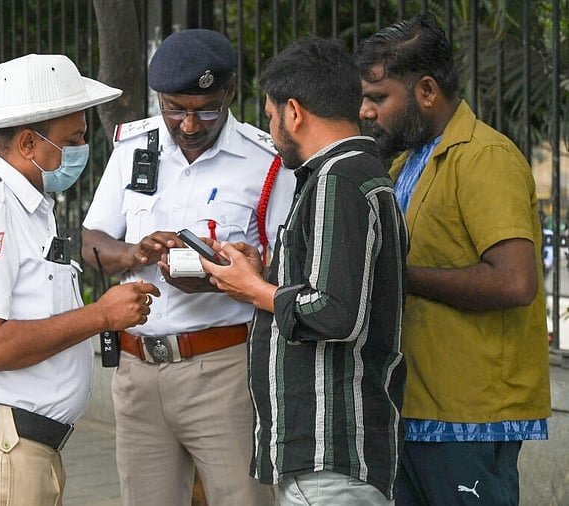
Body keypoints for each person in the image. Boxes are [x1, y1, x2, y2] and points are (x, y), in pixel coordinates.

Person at [0, 53, 160, 505]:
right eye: (74, 139)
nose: (81, 150)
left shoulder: (26, 204)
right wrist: (99, 316)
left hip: (16, 448)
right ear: (29, 144)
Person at [81, 29, 295, 506]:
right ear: (159, 98)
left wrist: (222, 276)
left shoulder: (267, 161)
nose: (190, 125)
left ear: (232, 91)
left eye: (206, 109)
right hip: (138, 370)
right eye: (175, 109)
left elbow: (285, 269)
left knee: (244, 498)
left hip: (224, 369)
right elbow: (92, 240)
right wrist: (136, 252)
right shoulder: (133, 148)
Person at [200, 37, 409, 505]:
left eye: (272, 118)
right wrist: (265, 276)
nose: (272, 131)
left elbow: (336, 313)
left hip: (330, 456)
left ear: (293, 112)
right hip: (325, 459)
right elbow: (334, 286)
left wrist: (255, 290)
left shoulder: (339, 180)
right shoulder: (346, 175)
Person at [356, 14, 551, 505]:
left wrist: (398, 276)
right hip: (413, 410)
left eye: (378, 98)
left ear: (425, 91)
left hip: (471, 421)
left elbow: (514, 283)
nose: (366, 111)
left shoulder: (485, 157)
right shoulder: (407, 161)